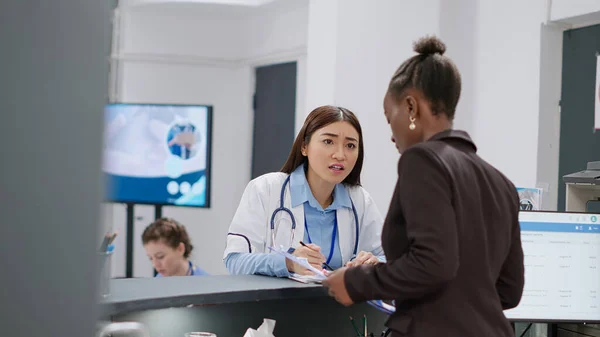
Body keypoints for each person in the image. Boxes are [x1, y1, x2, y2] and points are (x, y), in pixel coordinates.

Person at [323, 36, 525, 337]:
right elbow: (509, 290)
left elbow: (434, 263)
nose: (392, 134)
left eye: (389, 117)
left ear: (411, 107)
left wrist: (355, 282)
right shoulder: (500, 182)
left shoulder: (422, 160)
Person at [223, 105, 385, 277]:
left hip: (337, 303)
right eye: (328, 141)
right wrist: (288, 263)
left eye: (350, 145)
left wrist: (374, 263)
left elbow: (390, 257)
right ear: (304, 147)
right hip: (277, 304)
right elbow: (235, 261)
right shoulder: (265, 189)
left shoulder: (360, 200)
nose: (340, 154)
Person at [142, 217, 209, 277]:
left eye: (160, 256)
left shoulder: (206, 285)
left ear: (180, 249)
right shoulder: (158, 281)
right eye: (151, 258)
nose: (155, 265)